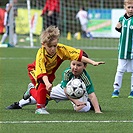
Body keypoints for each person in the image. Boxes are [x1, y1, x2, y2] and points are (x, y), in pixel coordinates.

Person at [8, 25, 105, 114]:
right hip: (36, 71)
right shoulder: (41, 54)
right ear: (43, 44)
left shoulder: (61, 49)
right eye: (50, 46)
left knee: (45, 97)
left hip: (49, 74)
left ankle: (32, 91)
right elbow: (42, 72)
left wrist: (92, 62)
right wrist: (47, 83)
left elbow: (77, 55)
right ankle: (38, 108)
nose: (53, 48)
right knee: (42, 89)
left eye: (55, 45)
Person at [6, 52, 102, 113]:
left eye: (79, 65)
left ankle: (89, 104)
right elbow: (65, 90)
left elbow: (92, 94)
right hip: (63, 90)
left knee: (82, 110)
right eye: (73, 64)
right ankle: (19, 104)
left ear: (85, 66)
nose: (75, 68)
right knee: (42, 97)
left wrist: (97, 111)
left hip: (79, 93)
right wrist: (76, 101)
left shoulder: (85, 77)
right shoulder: (67, 73)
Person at [112, 0, 133, 98]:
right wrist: (118, 28)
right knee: (120, 70)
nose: (131, 9)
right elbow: (120, 29)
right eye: (129, 7)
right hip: (123, 50)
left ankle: (132, 91)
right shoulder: (121, 19)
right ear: (125, 7)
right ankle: (116, 90)